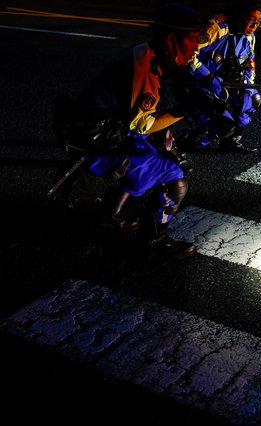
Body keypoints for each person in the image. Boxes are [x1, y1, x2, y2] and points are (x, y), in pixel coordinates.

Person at [52, 2, 203, 260]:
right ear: (171, 40)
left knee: (166, 148)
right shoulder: (145, 65)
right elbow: (142, 124)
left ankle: (108, 216)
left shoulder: (148, 54)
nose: (197, 46)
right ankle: (153, 240)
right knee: (174, 173)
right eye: (192, 39)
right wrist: (185, 110)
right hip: (97, 141)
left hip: (100, 130)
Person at [182, 0, 261, 154]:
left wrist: (247, 84)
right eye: (251, 20)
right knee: (224, 126)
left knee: (253, 98)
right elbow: (186, 54)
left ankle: (232, 141)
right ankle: (186, 142)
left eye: (259, 22)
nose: (254, 26)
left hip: (226, 85)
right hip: (200, 83)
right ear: (239, 15)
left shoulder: (250, 37)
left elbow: (249, 63)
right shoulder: (216, 28)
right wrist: (208, 77)